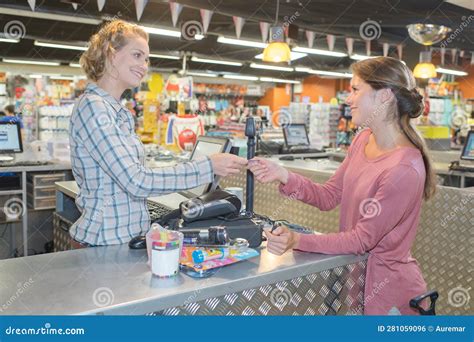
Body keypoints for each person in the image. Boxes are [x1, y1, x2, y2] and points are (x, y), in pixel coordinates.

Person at [248, 57, 437, 315]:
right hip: (356, 281)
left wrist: (297, 240)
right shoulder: (362, 140)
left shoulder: (404, 168)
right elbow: (330, 195)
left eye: (356, 89)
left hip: (390, 297)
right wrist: (284, 176)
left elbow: (361, 239)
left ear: (384, 96)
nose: (348, 99)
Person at [71, 20, 247, 247]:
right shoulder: (94, 108)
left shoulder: (116, 111)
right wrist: (208, 166)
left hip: (122, 240)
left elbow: (132, 174)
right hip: (105, 244)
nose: (144, 65)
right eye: (136, 55)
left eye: (146, 59)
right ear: (110, 53)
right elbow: (136, 181)